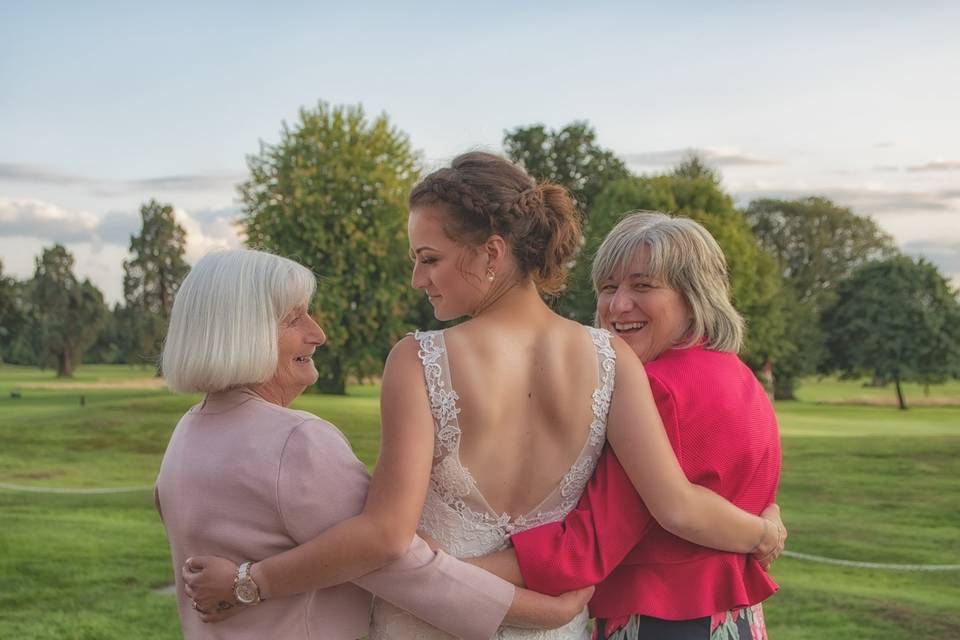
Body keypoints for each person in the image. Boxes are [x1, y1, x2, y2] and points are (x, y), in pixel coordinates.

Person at [183, 154, 784, 640]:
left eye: (429, 259)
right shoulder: (614, 361)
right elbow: (673, 500)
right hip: (555, 623)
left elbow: (386, 535)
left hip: (431, 624)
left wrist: (250, 582)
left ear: (492, 253)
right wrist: (760, 529)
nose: (418, 279)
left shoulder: (418, 359)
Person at [155, 248, 594, 640]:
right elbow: (397, 561)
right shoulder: (295, 442)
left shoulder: (187, 435)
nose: (318, 333)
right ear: (241, 333)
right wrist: (546, 611)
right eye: (294, 319)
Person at [471, 212, 784, 640]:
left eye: (643, 285)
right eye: (608, 287)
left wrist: (437, 570)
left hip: (662, 620)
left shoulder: (654, 389)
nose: (618, 305)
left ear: (694, 296)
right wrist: (763, 533)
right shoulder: (739, 376)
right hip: (734, 620)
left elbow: (588, 543)